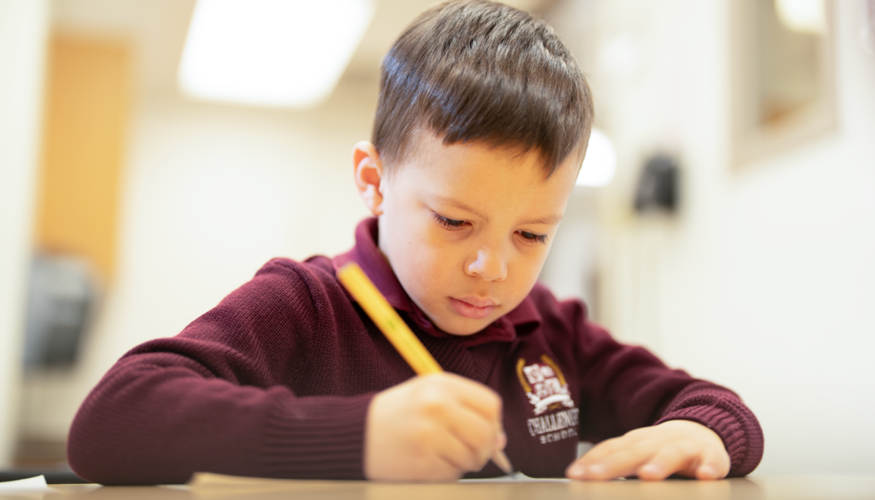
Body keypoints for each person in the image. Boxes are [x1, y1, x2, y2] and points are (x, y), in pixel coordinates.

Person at [67, 0, 763, 485]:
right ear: (374, 182)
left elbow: (719, 411)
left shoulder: (550, 332)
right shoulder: (305, 306)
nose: (492, 266)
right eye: (454, 222)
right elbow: (111, 421)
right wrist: (357, 437)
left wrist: (700, 435)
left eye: (531, 233)